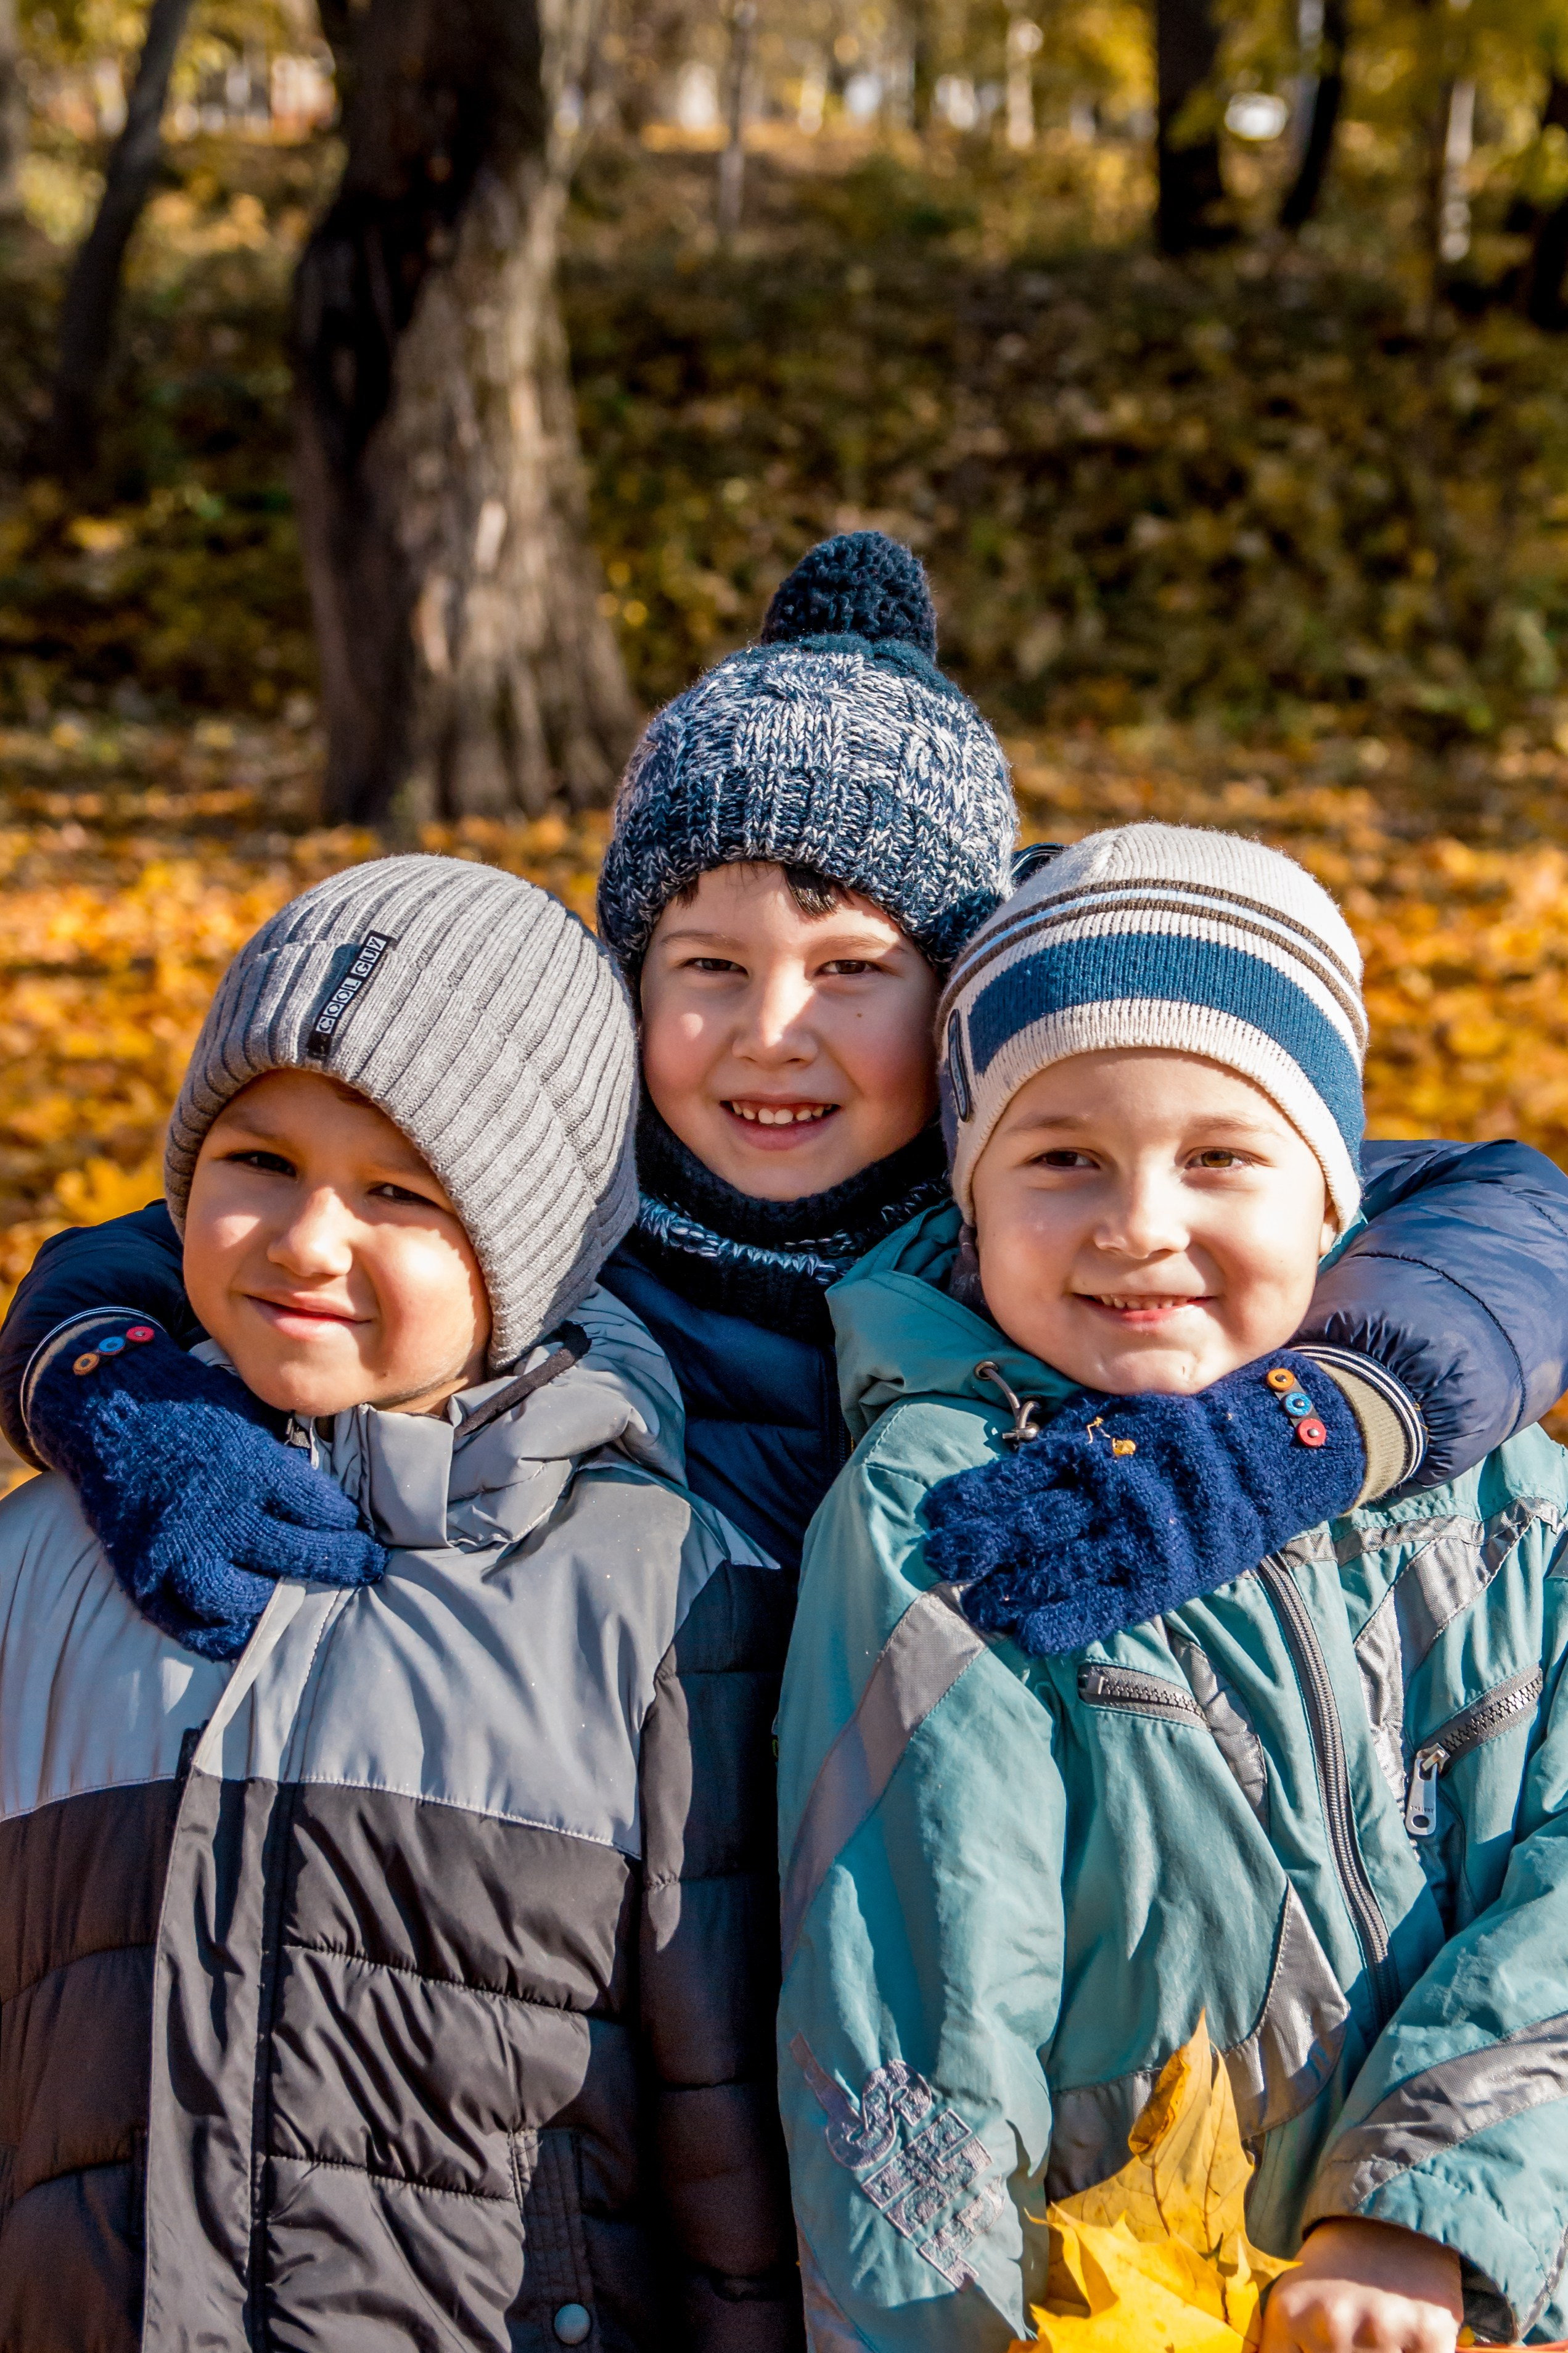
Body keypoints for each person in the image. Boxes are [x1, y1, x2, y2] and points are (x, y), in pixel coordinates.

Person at [6, 535, 1568, 1652]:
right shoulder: (550, 1196)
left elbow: (1511, 1217)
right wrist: (122, 1388)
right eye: (705, 966)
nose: (771, 1032)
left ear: (957, 1000)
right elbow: (188, 1243)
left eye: (849, 970)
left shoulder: (1069, 1193)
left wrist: (1332, 1411)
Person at [776, 822, 1568, 2353]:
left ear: (1336, 1197)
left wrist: (1423, 2213)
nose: (1140, 1220)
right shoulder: (952, 1509)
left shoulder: (1505, 1492)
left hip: (1498, 2281)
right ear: (970, 1195)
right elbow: (913, 2007)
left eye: (1219, 1156)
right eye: (1063, 1157)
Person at [0, 856, 799, 2353]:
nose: (309, 1243)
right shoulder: (40, 1562)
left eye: (400, 1193)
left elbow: (726, 2134)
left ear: (533, 1252)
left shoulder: (658, 1600)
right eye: (256, 1164)